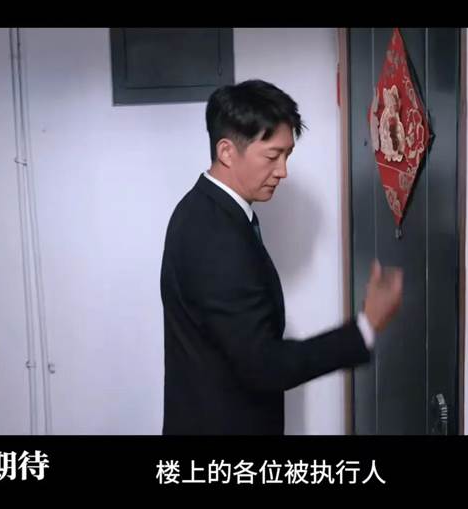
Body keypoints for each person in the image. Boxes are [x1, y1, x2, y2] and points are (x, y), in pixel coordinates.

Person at [161, 79, 404, 435]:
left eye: (287, 156)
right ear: (227, 151)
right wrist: (365, 326)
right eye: (272, 156)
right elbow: (265, 366)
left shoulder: (204, 210)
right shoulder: (214, 235)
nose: (282, 171)